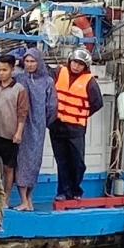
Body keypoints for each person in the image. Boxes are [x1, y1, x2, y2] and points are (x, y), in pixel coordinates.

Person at [50, 47, 104, 201]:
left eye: (80, 64)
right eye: (74, 62)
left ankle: (75, 190)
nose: (76, 66)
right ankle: (63, 192)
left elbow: (97, 103)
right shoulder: (60, 72)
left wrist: (81, 113)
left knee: (77, 162)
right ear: (70, 61)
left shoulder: (89, 81)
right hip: (57, 125)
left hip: (75, 128)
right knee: (62, 160)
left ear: (85, 66)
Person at [12, 47, 57, 211]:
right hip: (21, 126)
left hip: (37, 127)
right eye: (27, 61)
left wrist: (43, 122)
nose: (29, 64)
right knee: (21, 161)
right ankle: (23, 199)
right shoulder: (19, 78)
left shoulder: (47, 82)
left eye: (33, 61)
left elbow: (52, 106)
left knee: (33, 162)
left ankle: (28, 199)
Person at [0, 54, 28, 207]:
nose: (1, 73)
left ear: (12, 69)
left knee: (9, 169)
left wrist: (18, 132)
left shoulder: (19, 89)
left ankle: (6, 198)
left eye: (4, 70)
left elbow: (22, 113)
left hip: (10, 135)